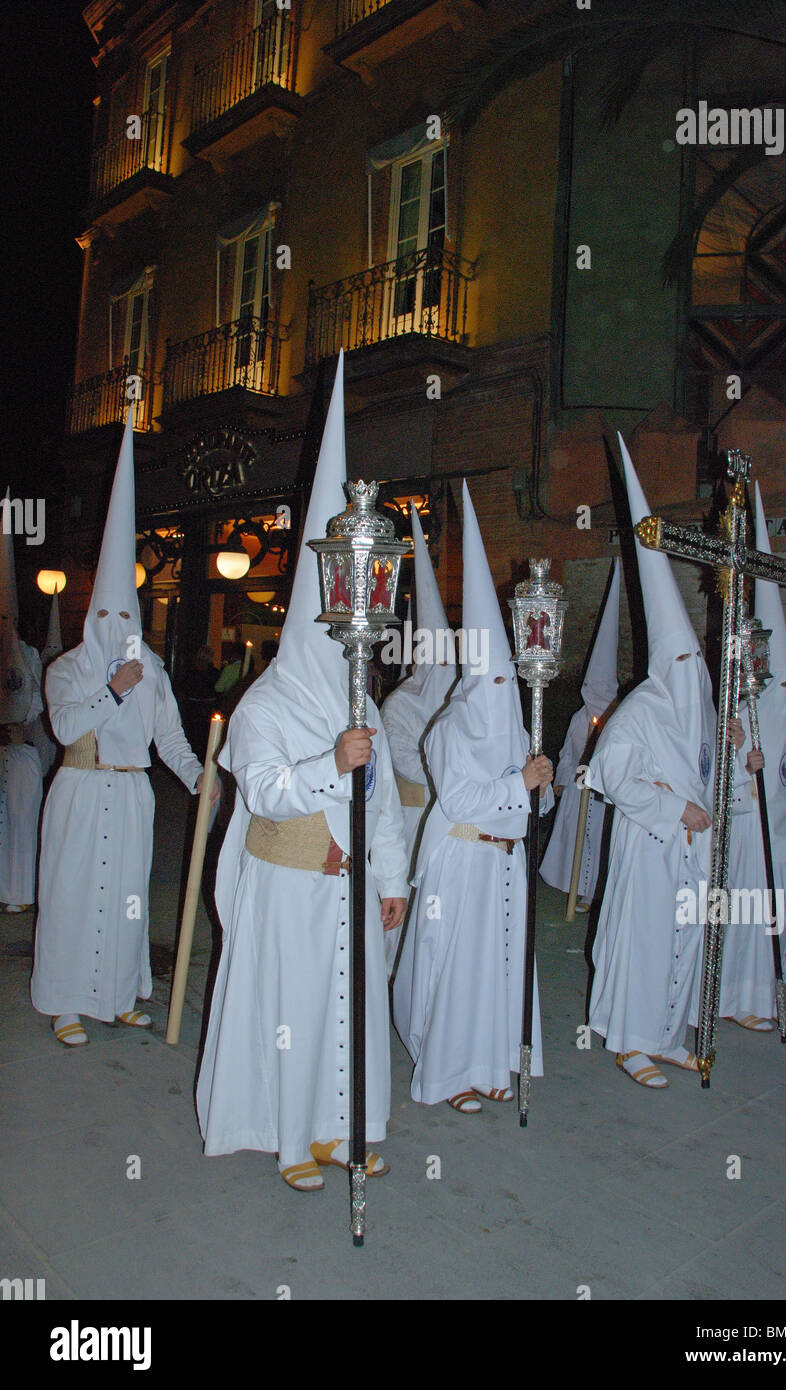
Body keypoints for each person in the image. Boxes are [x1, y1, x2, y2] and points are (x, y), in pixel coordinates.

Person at [196, 352, 409, 1192]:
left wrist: (392, 875)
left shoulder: (361, 706)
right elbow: (265, 789)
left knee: (346, 1003)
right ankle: (287, 1136)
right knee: (292, 1010)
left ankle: (340, 1125)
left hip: (350, 884)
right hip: (286, 884)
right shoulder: (263, 706)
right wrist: (330, 765)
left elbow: (384, 800)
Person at [31, 413, 211, 1047]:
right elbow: (63, 726)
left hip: (133, 793)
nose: (114, 619)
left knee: (127, 897)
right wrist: (113, 691)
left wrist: (197, 779)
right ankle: (65, 999)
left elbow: (172, 738)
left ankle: (119, 993)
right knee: (73, 894)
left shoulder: (154, 667)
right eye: (103, 610)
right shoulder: (67, 668)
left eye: (124, 610)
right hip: (80, 789)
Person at [587, 436, 744, 1089]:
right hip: (652, 845)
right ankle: (629, 1040)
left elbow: (705, 764)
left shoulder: (699, 703)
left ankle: (669, 1034)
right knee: (645, 943)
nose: (687, 674)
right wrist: (674, 805)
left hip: (691, 852)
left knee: (684, 945)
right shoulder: (640, 708)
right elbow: (612, 775)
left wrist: (729, 741)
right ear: (662, 664)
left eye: (694, 666)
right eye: (678, 665)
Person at [393, 481, 553, 1113]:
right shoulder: (450, 727)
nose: (500, 688)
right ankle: (447, 1070)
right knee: (457, 967)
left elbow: (519, 799)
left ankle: (490, 1061)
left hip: (505, 863)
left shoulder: (515, 725)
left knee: (499, 966)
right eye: (492, 678)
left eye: (507, 679)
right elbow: (459, 800)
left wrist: (537, 783)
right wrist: (520, 783)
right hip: (461, 860)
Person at [719, 485, 786, 1033]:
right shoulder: (736, 706)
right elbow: (710, 769)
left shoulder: (781, 706)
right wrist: (738, 764)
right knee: (745, 918)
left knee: (770, 916)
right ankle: (736, 998)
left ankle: (770, 997)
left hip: (774, 829)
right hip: (747, 830)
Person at [380, 503, 457, 973]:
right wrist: (453, 774)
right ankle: (391, 971)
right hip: (411, 817)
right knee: (404, 890)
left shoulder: (461, 697)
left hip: (449, 818)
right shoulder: (399, 704)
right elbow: (406, 761)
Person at [540, 560, 620, 907]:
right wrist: (561, 778)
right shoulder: (580, 716)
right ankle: (570, 884)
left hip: (602, 792)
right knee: (574, 839)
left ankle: (593, 890)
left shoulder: (619, 718)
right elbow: (569, 752)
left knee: (598, 842)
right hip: (576, 788)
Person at [0, 511, 46, 912]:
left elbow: (34, 700)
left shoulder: (28, 657)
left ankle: (17, 893)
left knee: (19, 824)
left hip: (19, 751)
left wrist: (18, 724)